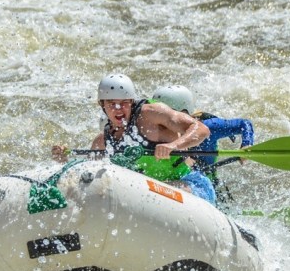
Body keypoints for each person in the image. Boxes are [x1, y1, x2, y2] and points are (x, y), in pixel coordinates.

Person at [52, 73, 216, 204]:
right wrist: (64, 162)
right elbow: (88, 179)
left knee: (149, 192)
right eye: (111, 103)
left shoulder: (152, 114)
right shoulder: (101, 142)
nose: (118, 109)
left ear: (131, 102)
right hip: (145, 195)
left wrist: (174, 145)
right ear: (102, 105)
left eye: (124, 103)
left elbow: (201, 129)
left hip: (189, 185)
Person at [152, 85, 255, 204]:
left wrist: (246, 145)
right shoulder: (151, 129)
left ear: (184, 112)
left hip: (202, 183)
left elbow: (244, 123)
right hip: (174, 177)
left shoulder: (209, 127)